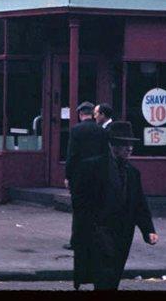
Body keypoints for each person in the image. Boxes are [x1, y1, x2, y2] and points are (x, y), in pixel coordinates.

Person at [71, 121, 158, 290]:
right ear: (112, 145)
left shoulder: (132, 173)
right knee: (103, 278)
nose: (129, 148)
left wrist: (148, 230)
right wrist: (85, 231)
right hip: (99, 232)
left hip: (122, 234)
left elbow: (139, 204)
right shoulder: (91, 167)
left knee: (113, 278)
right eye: (124, 144)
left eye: (131, 144)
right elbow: (80, 203)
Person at [63, 101, 108, 251]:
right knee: (95, 209)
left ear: (81, 114)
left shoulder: (76, 130)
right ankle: (94, 240)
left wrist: (68, 176)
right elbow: (105, 154)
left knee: (79, 210)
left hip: (80, 176)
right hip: (97, 176)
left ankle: (76, 241)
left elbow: (72, 155)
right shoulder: (101, 130)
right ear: (92, 113)